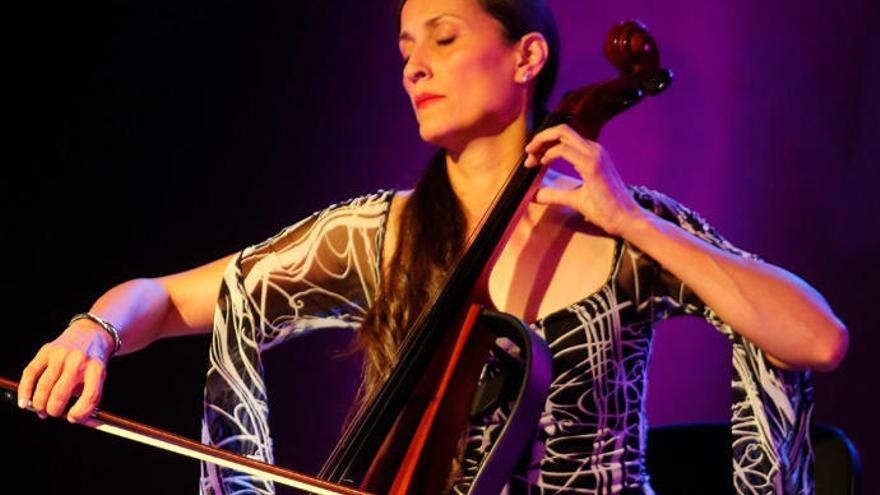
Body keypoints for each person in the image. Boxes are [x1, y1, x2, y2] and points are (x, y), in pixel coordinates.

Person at [17, 0, 848, 493]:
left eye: (444, 38)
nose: (415, 65)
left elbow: (815, 337)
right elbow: (167, 297)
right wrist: (95, 327)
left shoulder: (627, 228)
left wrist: (633, 219)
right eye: (407, 48)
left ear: (527, 56)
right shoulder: (382, 234)